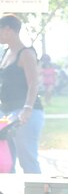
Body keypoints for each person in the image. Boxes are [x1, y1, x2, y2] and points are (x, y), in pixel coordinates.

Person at [0, 14, 44, 174]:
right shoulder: (6, 53)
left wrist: (27, 108)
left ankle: (38, 190)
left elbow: (33, 83)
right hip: (7, 113)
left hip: (25, 113)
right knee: (6, 162)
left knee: (28, 161)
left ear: (8, 30)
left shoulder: (26, 53)